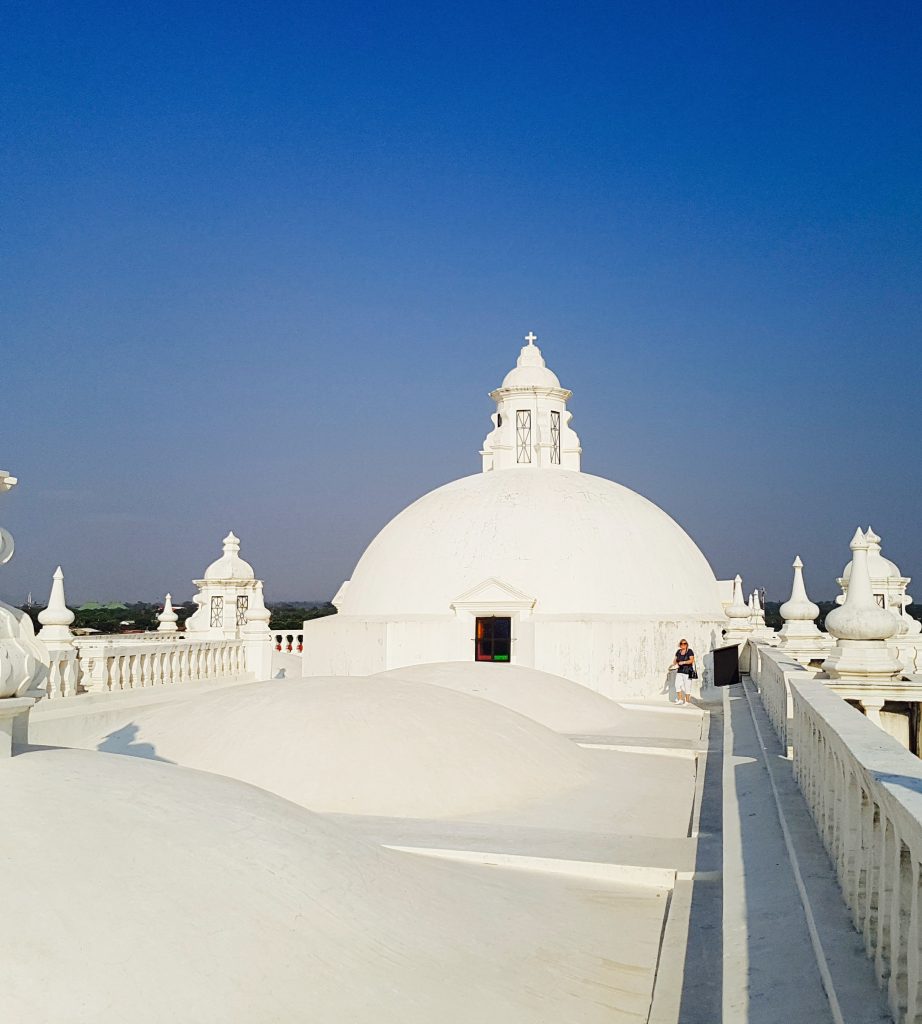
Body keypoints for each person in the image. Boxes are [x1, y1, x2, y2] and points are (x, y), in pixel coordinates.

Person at [669, 639, 696, 705]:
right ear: (680, 645)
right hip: (680, 671)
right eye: (681, 643)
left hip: (688, 671)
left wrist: (683, 662)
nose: (683, 645)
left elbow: (691, 660)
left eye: (685, 643)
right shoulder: (678, 651)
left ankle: (687, 701)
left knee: (687, 686)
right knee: (677, 685)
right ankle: (680, 699)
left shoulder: (689, 651)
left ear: (687, 644)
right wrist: (673, 665)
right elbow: (675, 660)